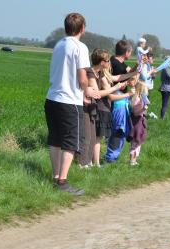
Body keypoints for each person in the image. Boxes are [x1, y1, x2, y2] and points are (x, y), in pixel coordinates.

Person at [44, 12, 98, 195]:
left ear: (66, 27)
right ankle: (62, 182)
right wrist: (87, 91)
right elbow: (82, 77)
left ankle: (55, 177)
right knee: (71, 141)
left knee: (55, 139)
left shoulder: (59, 45)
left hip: (52, 98)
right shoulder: (80, 47)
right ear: (82, 28)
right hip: (70, 101)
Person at [87, 50, 127, 166]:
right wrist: (116, 88)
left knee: (97, 137)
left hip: (100, 108)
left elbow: (115, 79)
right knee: (94, 137)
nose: (110, 62)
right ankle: (91, 162)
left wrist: (132, 74)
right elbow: (98, 93)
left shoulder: (100, 73)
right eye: (107, 60)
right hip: (97, 108)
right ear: (101, 62)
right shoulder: (91, 73)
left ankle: (93, 162)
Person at [104, 76, 135, 164]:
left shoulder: (120, 92)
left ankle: (114, 157)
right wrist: (128, 93)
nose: (124, 84)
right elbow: (113, 98)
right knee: (116, 138)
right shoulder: (115, 93)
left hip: (123, 122)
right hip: (118, 123)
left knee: (120, 139)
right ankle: (110, 158)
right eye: (122, 83)